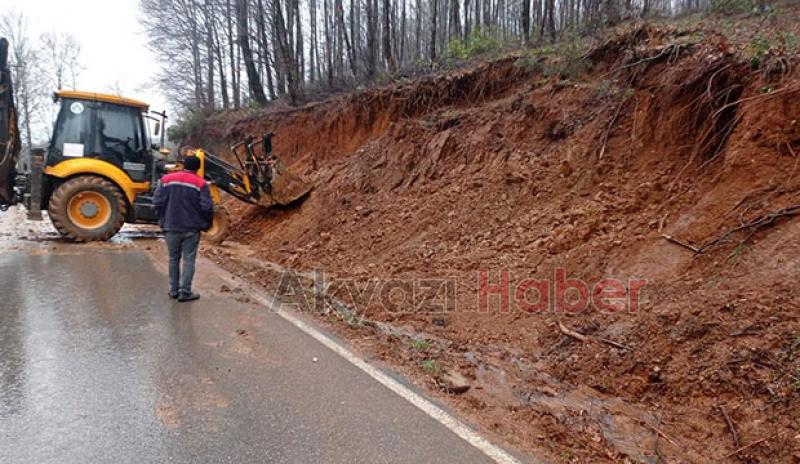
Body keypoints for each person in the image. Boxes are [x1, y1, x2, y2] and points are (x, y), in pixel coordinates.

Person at [153, 155, 214, 302]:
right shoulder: (201, 183)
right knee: (188, 260)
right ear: (198, 168)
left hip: (171, 226)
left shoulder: (166, 180)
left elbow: (157, 201)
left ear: (183, 165)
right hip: (191, 229)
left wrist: (162, 218)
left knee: (173, 259)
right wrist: (207, 223)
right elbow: (207, 207)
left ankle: (173, 290)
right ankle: (185, 292)